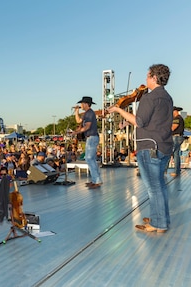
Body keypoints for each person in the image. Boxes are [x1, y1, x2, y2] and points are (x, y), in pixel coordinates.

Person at [108, 63, 173, 233]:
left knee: (154, 187)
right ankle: (160, 218)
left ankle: (158, 224)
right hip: (164, 146)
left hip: (149, 146)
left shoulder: (149, 98)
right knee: (160, 185)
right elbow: (152, 121)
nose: (145, 79)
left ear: (154, 77)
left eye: (147, 76)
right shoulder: (167, 97)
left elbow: (140, 122)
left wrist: (118, 110)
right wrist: (127, 120)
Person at [74, 96, 102, 189]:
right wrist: (76, 112)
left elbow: (87, 126)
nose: (80, 105)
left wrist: (77, 132)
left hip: (92, 137)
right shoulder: (86, 113)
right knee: (91, 159)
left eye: (82, 103)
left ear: (86, 104)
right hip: (90, 138)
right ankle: (95, 180)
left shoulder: (90, 113)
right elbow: (78, 121)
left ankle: (97, 180)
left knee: (89, 159)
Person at [170, 106, 185, 177]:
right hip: (178, 137)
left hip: (176, 137)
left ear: (174, 111)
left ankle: (164, 171)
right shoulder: (179, 118)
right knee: (176, 154)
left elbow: (173, 128)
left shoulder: (177, 119)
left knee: (170, 153)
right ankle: (177, 171)